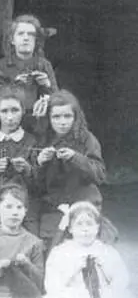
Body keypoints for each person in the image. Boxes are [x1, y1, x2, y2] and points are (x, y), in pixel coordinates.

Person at [46, 201, 132, 298]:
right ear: (70, 229)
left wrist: (105, 268)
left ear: (97, 227)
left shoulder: (106, 250)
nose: (85, 229)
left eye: (89, 224)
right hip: (75, 296)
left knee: (124, 297)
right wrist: (73, 269)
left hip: (101, 296)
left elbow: (121, 278)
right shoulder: (61, 251)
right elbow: (52, 283)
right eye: (79, 224)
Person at [37, 90, 106, 247]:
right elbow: (36, 185)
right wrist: (40, 162)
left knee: (86, 242)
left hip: (84, 200)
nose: (62, 122)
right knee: (52, 245)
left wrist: (76, 158)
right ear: (48, 118)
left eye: (67, 116)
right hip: (53, 205)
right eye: (56, 117)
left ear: (76, 117)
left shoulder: (86, 139)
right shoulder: (43, 140)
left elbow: (100, 175)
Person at [0, 85, 40, 234]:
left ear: (23, 111)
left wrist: (27, 170)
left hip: (23, 206)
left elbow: (40, 187)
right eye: (4, 111)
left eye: (15, 110)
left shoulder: (31, 141)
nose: (10, 117)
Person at [0, 14, 58, 133]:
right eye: (21, 34)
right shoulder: (3, 65)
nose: (26, 38)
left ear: (36, 40)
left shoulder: (44, 65)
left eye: (31, 34)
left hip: (37, 125)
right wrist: (13, 85)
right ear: (12, 40)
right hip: (10, 123)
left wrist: (47, 85)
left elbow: (58, 99)